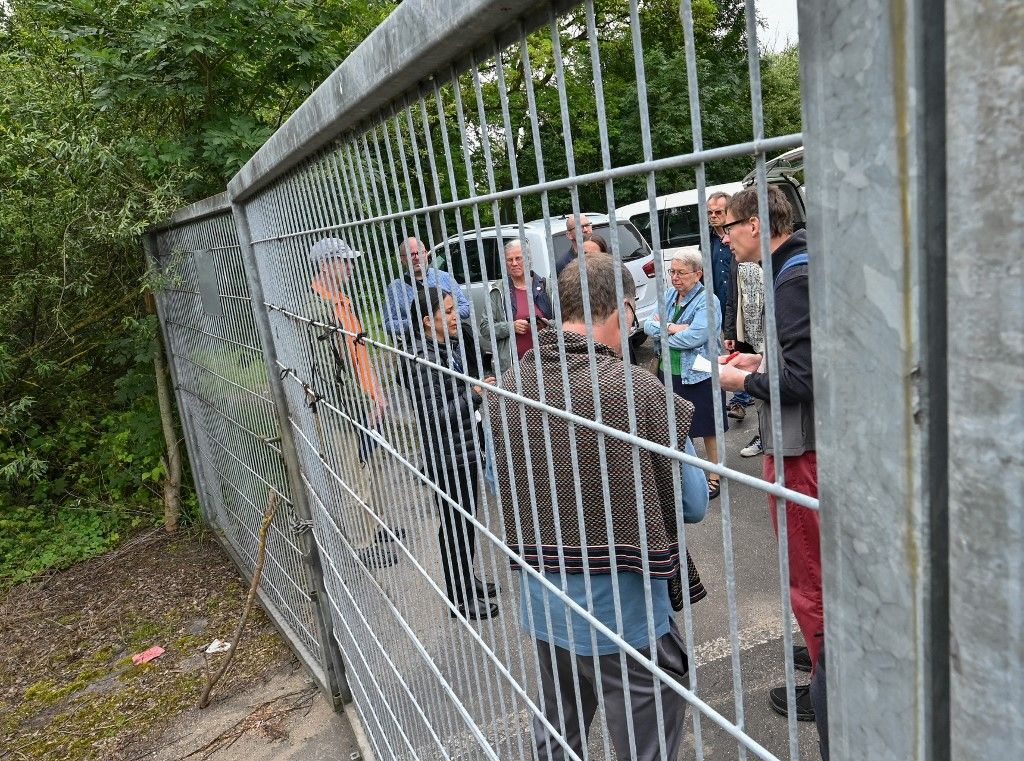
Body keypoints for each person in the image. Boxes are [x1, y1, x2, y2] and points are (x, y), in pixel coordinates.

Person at [488, 253, 708, 761]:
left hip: (543, 598)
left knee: (559, 724)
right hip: (625, 609)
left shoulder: (507, 389)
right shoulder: (638, 391)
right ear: (623, 311)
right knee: (645, 730)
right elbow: (693, 503)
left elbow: (502, 485)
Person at [717, 186, 823, 737]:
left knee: (810, 573)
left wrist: (741, 379)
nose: (724, 236)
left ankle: (831, 686)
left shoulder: (793, 277)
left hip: (801, 449)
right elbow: (804, 357)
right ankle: (822, 659)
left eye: (728, 225)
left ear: (756, 224)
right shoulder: (796, 266)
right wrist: (763, 360)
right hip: (800, 442)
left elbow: (804, 379)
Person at [404, 284, 499, 621]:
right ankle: (460, 599)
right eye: (446, 312)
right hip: (448, 454)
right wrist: (475, 392)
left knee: (465, 521)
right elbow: (435, 417)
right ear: (428, 321)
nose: (455, 316)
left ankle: (466, 582)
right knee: (455, 524)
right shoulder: (424, 359)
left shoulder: (447, 348)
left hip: (463, 447)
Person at [308, 237, 401, 569]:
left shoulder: (342, 301)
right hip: (341, 410)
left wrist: (377, 392)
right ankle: (362, 545)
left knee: (366, 469)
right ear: (325, 264)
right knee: (352, 476)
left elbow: (359, 353)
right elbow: (330, 374)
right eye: (344, 261)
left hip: (362, 402)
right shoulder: (317, 309)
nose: (350, 266)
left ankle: (373, 530)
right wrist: (364, 403)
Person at [644, 249, 728, 500]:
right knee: (676, 427)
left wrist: (663, 333)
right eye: (672, 272)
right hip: (669, 372)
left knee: (708, 426)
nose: (675, 277)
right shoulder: (669, 296)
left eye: (681, 272)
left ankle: (715, 476)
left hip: (699, 373)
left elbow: (697, 336)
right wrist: (671, 327)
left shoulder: (707, 300)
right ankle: (685, 477)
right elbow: (648, 325)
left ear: (698, 274)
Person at [478, 239, 554, 376]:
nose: (514, 263)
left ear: (528, 259)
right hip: (513, 369)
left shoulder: (546, 287)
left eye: (518, 258)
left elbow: (566, 322)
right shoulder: (498, 291)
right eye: (509, 260)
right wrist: (510, 327)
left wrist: (547, 324)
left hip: (548, 364)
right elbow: (485, 328)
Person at [382, 236, 470, 337]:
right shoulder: (395, 288)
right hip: (417, 348)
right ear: (402, 258)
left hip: (452, 344)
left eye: (420, 252)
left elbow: (465, 307)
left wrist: (445, 317)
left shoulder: (445, 277)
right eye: (411, 254)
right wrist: (417, 323)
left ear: (426, 254)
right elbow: (388, 325)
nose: (417, 257)